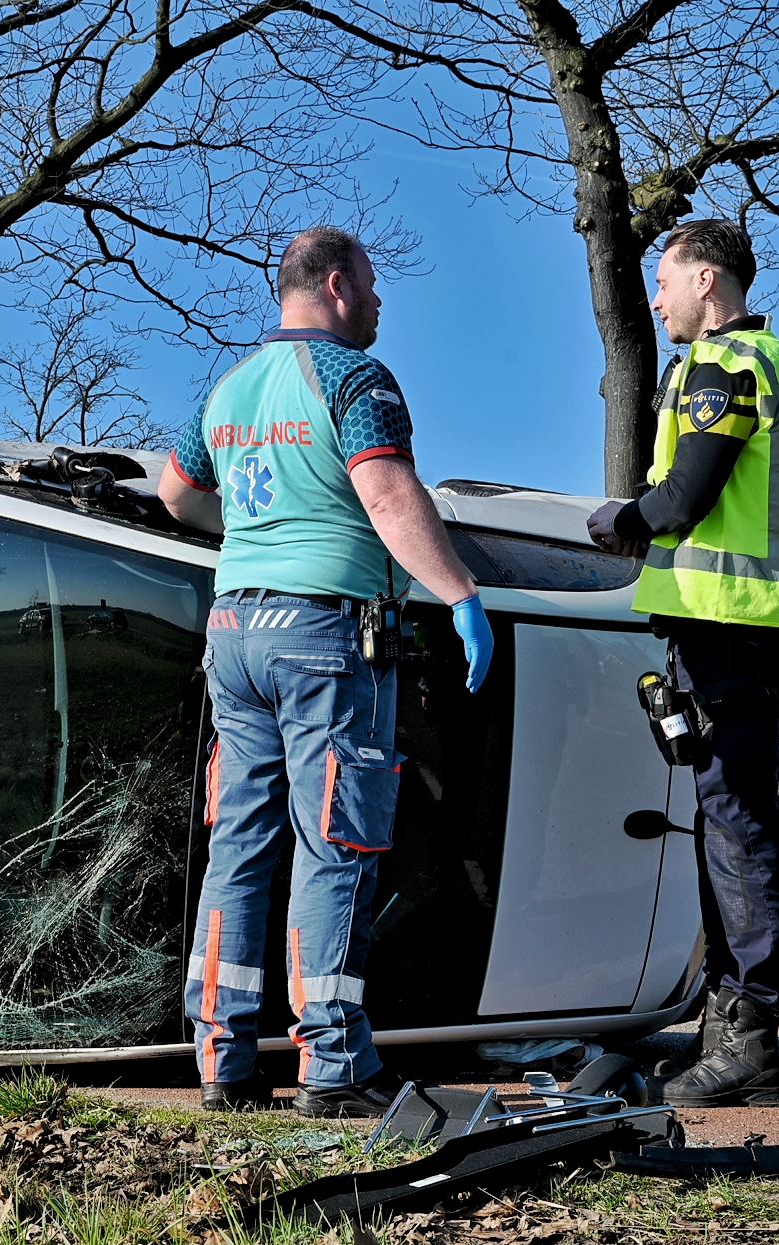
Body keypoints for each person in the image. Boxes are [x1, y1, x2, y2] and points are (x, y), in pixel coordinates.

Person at [159, 226, 495, 1117]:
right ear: (339, 286)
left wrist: (256, 539)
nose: (382, 306)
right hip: (326, 635)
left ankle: (220, 1061)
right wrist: (458, 592)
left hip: (233, 632)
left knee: (236, 846)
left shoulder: (228, 387)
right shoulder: (354, 379)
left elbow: (179, 494)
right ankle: (334, 1067)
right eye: (376, 289)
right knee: (336, 842)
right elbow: (386, 493)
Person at [586, 219, 779, 1109]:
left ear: (706, 278)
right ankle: (729, 1034)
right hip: (771, 621)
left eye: (664, 282)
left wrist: (623, 517)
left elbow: (687, 494)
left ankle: (751, 1034)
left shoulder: (722, 368)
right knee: (730, 815)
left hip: (729, 622)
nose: (654, 300)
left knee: (735, 820)